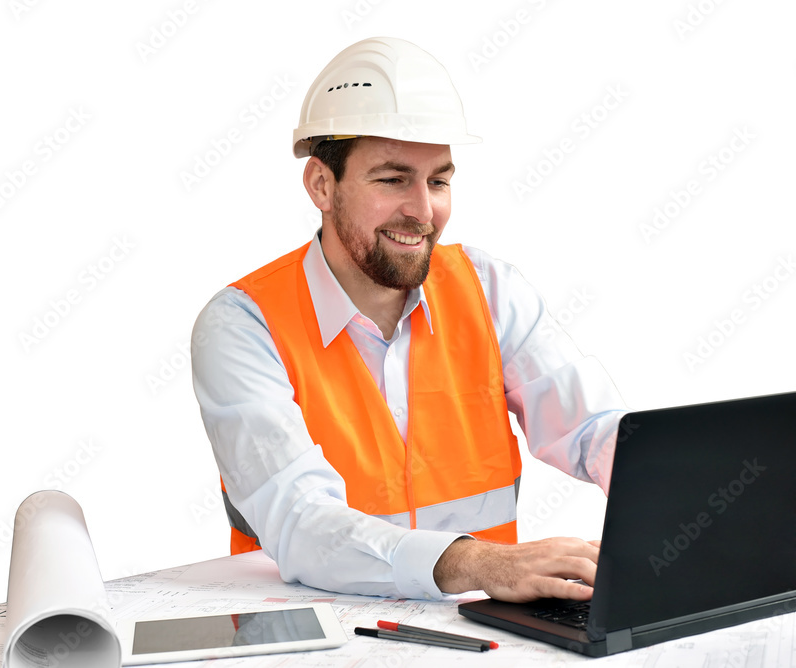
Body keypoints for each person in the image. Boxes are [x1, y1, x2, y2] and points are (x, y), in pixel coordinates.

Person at [190, 37, 628, 603]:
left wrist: (680, 494)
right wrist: (480, 564)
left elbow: (593, 428)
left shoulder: (489, 289)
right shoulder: (243, 325)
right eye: (393, 179)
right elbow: (298, 519)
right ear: (322, 185)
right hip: (313, 638)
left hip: (482, 634)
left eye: (439, 181)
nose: (423, 211)